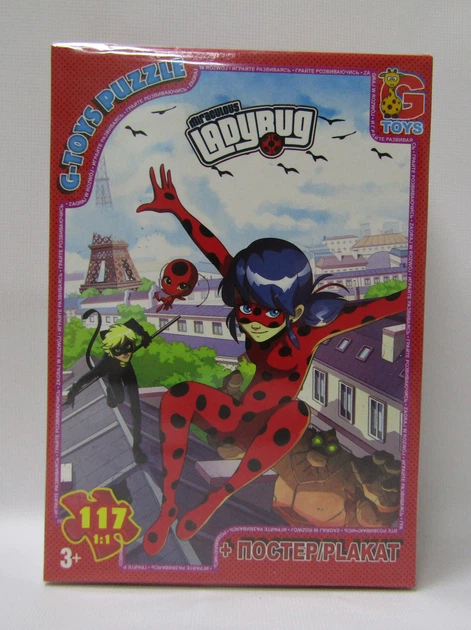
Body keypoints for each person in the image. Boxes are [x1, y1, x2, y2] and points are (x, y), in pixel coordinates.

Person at [136, 165, 407, 555]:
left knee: (297, 412)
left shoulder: (311, 328)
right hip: (236, 418)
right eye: (247, 309)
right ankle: (168, 505)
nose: (253, 320)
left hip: (273, 430)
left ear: (296, 311)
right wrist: (178, 209)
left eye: (269, 313)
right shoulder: (247, 290)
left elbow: (386, 304)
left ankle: (216, 499)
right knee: (179, 394)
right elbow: (214, 250)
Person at [65, 319, 151, 464]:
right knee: (119, 399)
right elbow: (87, 377)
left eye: (128, 347)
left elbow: (132, 322)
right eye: (119, 350)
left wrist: (144, 335)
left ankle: (137, 447)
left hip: (126, 370)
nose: (126, 353)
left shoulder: (121, 334)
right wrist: (72, 392)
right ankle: (111, 392)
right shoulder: (105, 364)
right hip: (113, 372)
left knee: (136, 408)